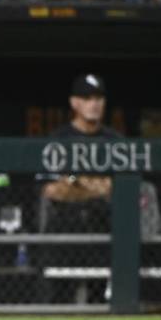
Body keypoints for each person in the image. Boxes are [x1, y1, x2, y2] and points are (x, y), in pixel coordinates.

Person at [39, 73, 121, 234]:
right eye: (87, 99)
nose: (94, 104)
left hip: (105, 226)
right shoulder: (58, 139)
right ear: (74, 102)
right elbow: (51, 190)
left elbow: (121, 189)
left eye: (98, 99)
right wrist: (92, 186)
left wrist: (77, 183)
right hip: (64, 223)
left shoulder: (114, 140)